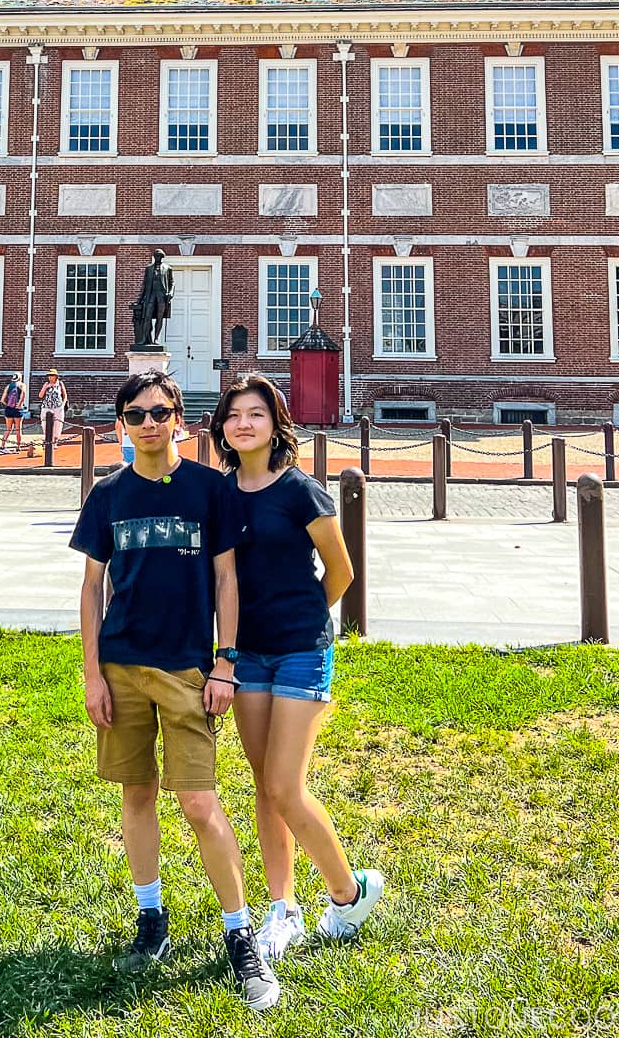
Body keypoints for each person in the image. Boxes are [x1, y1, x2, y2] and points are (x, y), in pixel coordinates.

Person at [70, 368, 281, 1011]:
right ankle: (150, 915)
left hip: (188, 668)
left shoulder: (209, 491)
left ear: (180, 423)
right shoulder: (107, 495)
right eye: (137, 415)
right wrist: (91, 674)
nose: (149, 423)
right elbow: (90, 588)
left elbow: (227, 582)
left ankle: (239, 932)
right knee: (136, 793)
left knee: (197, 801)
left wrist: (225, 662)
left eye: (160, 412)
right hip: (122, 664)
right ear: (122, 427)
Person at [212, 371, 385, 959]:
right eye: (234, 414)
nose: (244, 423)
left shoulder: (301, 490)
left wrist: (305, 616)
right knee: (266, 787)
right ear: (223, 425)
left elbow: (340, 571)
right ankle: (282, 908)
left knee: (286, 785)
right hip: (246, 655)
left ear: (275, 422)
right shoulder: (222, 492)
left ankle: (348, 892)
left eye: (255, 413)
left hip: (301, 650)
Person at [38, 368, 67, 450]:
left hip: (57, 407)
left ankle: (55, 442)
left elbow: (65, 395)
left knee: (57, 425)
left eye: (52, 376)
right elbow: (40, 395)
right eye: (49, 376)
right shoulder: (46, 384)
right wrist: (46, 387)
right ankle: (47, 441)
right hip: (46, 407)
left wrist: (63, 405)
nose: (50, 377)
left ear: (56, 376)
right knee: (45, 424)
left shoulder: (60, 384)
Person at [0, 372, 26, 453]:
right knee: (18, 429)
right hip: (17, 409)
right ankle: (18, 447)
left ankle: (2, 446)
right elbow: (23, 394)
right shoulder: (22, 385)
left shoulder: (8, 386)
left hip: (8, 409)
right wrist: (20, 404)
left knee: (8, 429)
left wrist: (8, 405)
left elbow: (2, 400)